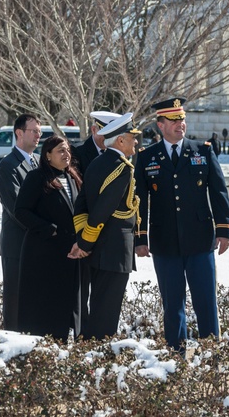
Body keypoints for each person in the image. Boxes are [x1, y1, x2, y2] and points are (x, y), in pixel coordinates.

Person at [134, 98, 229, 352]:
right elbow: (139, 200)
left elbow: (218, 192)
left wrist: (224, 230)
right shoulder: (146, 157)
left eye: (183, 119)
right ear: (160, 125)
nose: (181, 124)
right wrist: (140, 237)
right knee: (172, 304)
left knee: (206, 301)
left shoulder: (203, 150)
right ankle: (176, 353)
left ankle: (212, 354)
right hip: (165, 242)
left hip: (200, 240)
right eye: (175, 120)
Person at [70, 112, 140, 339]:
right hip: (114, 251)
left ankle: (91, 353)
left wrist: (83, 240)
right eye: (132, 137)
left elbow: (81, 205)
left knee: (98, 307)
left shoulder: (98, 163)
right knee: (106, 315)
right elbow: (101, 211)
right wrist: (85, 244)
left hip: (98, 251)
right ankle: (97, 360)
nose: (136, 142)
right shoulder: (122, 168)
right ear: (120, 140)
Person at [14, 135, 84, 339]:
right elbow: (21, 211)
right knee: (44, 306)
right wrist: (49, 229)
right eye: (61, 151)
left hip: (69, 252)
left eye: (68, 150)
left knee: (65, 304)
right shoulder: (37, 177)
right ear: (48, 155)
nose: (66, 154)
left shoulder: (72, 177)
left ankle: (62, 344)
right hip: (43, 252)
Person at [0, 113, 41, 330]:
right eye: (34, 131)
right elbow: (15, 207)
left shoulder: (39, 161)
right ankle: (13, 344)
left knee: (34, 298)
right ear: (19, 133)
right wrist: (43, 227)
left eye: (40, 132)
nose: (38, 135)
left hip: (38, 244)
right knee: (15, 300)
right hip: (18, 244)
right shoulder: (8, 165)